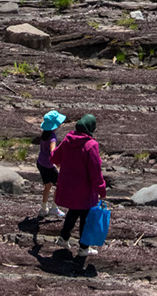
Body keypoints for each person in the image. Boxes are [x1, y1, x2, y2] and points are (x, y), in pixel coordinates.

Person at [53, 113, 107, 261]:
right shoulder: (91, 145)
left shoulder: (68, 140)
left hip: (69, 187)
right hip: (85, 190)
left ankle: (64, 238)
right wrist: (101, 189)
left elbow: (54, 157)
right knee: (85, 217)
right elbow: (95, 171)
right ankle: (84, 248)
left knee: (73, 211)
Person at [35, 110, 66, 219]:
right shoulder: (52, 137)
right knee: (60, 184)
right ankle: (54, 208)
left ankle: (43, 208)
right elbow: (53, 152)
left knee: (48, 185)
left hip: (40, 163)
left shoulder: (44, 134)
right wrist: (58, 162)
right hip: (48, 166)